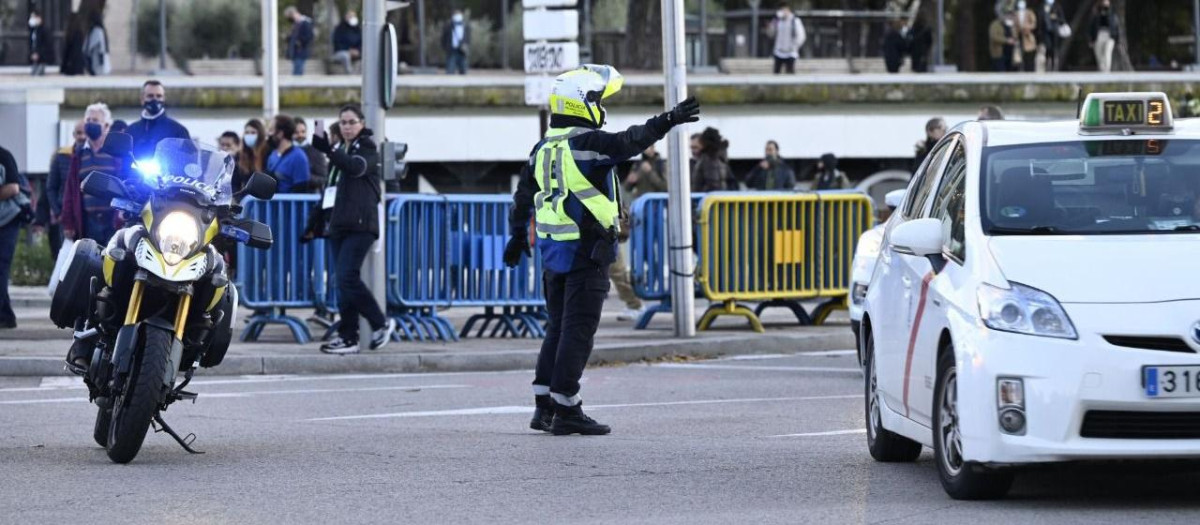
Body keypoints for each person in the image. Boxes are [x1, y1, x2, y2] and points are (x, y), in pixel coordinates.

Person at [504, 65, 700, 435]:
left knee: (557, 329)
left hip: (553, 254)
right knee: (577, 331)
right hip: (587, 252)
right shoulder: (587, 144)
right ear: (583, 103)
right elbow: (629, 141)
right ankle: (567, 408)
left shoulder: (542, 149)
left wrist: (516, 237)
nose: (601, 107)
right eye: (598, 100)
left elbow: (522, 198)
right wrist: (669, 119)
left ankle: (544, 406)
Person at [309, 104, 396, 354]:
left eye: (351, 122)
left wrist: (329, 149)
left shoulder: (367, 146)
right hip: (339, 224)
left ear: (362, 124)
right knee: (342, 282)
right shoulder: (342, 151)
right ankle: (348, 337)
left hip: (360, 223)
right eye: (343, 122)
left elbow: (356, 167)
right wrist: (313, 223)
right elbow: (330, 189)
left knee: (348, 277)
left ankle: (380, 323)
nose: (347, 127)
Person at [61, 103, 119, 244]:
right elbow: (70, 191)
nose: (90, 123)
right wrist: (68, 222)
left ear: (106, 126)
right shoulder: (79, 155)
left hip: (113, 221)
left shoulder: (116, 154)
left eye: (95, 120)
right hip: (88, 222)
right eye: (88, 120)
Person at [43, 121, 86, 261]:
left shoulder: (95, 156)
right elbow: (51, 187)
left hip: (88, 216)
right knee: (67, 259)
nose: (82, 136)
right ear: (73, 135)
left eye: (85, 133)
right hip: (67, 216)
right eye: (79, 133)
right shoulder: (61, 156)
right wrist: (58, 213)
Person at [127, 80, 190, 160]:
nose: (155, 99)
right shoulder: (131, 131)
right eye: (150, 96)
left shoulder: (178, 130)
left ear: (164, 98)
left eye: (159, 96)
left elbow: (188, 159)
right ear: (142, 99)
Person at [0, 144, 25, 329]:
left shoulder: (4, 156)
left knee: (1, 267)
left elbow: (13, 188)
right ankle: (6, 316)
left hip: (7, 220)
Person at [266, 115, 310, 194]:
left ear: (280, 133)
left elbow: (301, 190)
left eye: (271, 130)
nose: (268, 134)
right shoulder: (273, 155)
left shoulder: (298, 157)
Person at [767, 4, 806, 75]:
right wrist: (772, 24)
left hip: (791, 53)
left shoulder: (795, 21)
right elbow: (770, 33)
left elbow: (801, 36)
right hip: (779, 51)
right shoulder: (777, 20)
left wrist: (794, 46)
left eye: (784, 10)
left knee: (790, 73)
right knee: (776, 73)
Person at [692, 127, 731, 193]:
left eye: (695, 147)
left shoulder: (708, 159)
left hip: (706, 198)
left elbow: (712, 184)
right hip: (718, 197)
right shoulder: (720, 158)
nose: (693, 151)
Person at [295, 118, 329, 192]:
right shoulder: (284, 150)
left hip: (309, 195)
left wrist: (305, 176)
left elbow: (323, 178)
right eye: (296, 132)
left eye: (303, 132)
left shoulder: (316, 152)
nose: (300, 135)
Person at [1090, 0, 1119, 73]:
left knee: (1107, 53)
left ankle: (1107, 71)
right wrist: (1091, 39)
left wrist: (1117, 40)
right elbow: (1091, 27)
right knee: (1099, 55)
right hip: (1099, 35)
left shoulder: (1112, 13)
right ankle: (1102, 70)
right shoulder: (1096, 13)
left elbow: (1116, 27)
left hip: (1109, 36)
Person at [285, 6, 315, 76]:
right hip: (295, 51)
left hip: (301, 51)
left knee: (298, 71)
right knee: (296, 69)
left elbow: (309, 36)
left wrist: (300, 42)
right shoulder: (296, 24)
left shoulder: (305, 23)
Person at [332, 9, 363, 74]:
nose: (352, 18)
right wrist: (348, 50)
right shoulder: (339, 29)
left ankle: (359, 74)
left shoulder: (358, 29)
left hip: (356, 52)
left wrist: (358, 50)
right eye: (350, 16)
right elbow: (337, 43)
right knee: (345, 56)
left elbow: (361, 42)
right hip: (341, 52)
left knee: (364, 56)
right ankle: (349, 73)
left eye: (354, 16)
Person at [1041, 0, 1068, 72]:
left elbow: (1062, 19)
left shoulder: (1057, 6)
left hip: (1055, 31)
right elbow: (1041, 18)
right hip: (1046, 31)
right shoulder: (1044, 5)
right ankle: (1047, 64)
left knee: (1054, 48)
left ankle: (1053, 66)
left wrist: (1055, 17)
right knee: (1048, 47)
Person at [83, 7, 110, 76]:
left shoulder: (97, 30)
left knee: (98, 72)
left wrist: (88, 52)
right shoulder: (93, 30)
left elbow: (99, 45)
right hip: (94, 56)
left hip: (96, 56)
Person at [442, 10, 470, 75]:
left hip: (462, 51)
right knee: (450, 70)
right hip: (452, 50)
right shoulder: (448, 26)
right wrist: (446, 48)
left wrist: (466, 46)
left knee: (463, 70)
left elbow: (468, 38)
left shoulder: (466, 26)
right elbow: (443, 38)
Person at [1015, 1, 1038, 73]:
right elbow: (1014, 25)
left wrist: (1027, 28)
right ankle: (1022, 70)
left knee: (1030, 54)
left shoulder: (1030, 12)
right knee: (1020, 55)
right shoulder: (1016, 14)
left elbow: (1034, 23)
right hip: (1019, 36)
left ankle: (1031, 70)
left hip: (1028, 36)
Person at [29, 10, 54, 76]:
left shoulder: (45, 30)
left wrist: (38, 54)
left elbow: (47, 44)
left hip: (42, 58)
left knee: (38, 74)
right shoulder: (34, 30)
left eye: (34, 17)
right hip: (35, 58)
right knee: (33, 74)